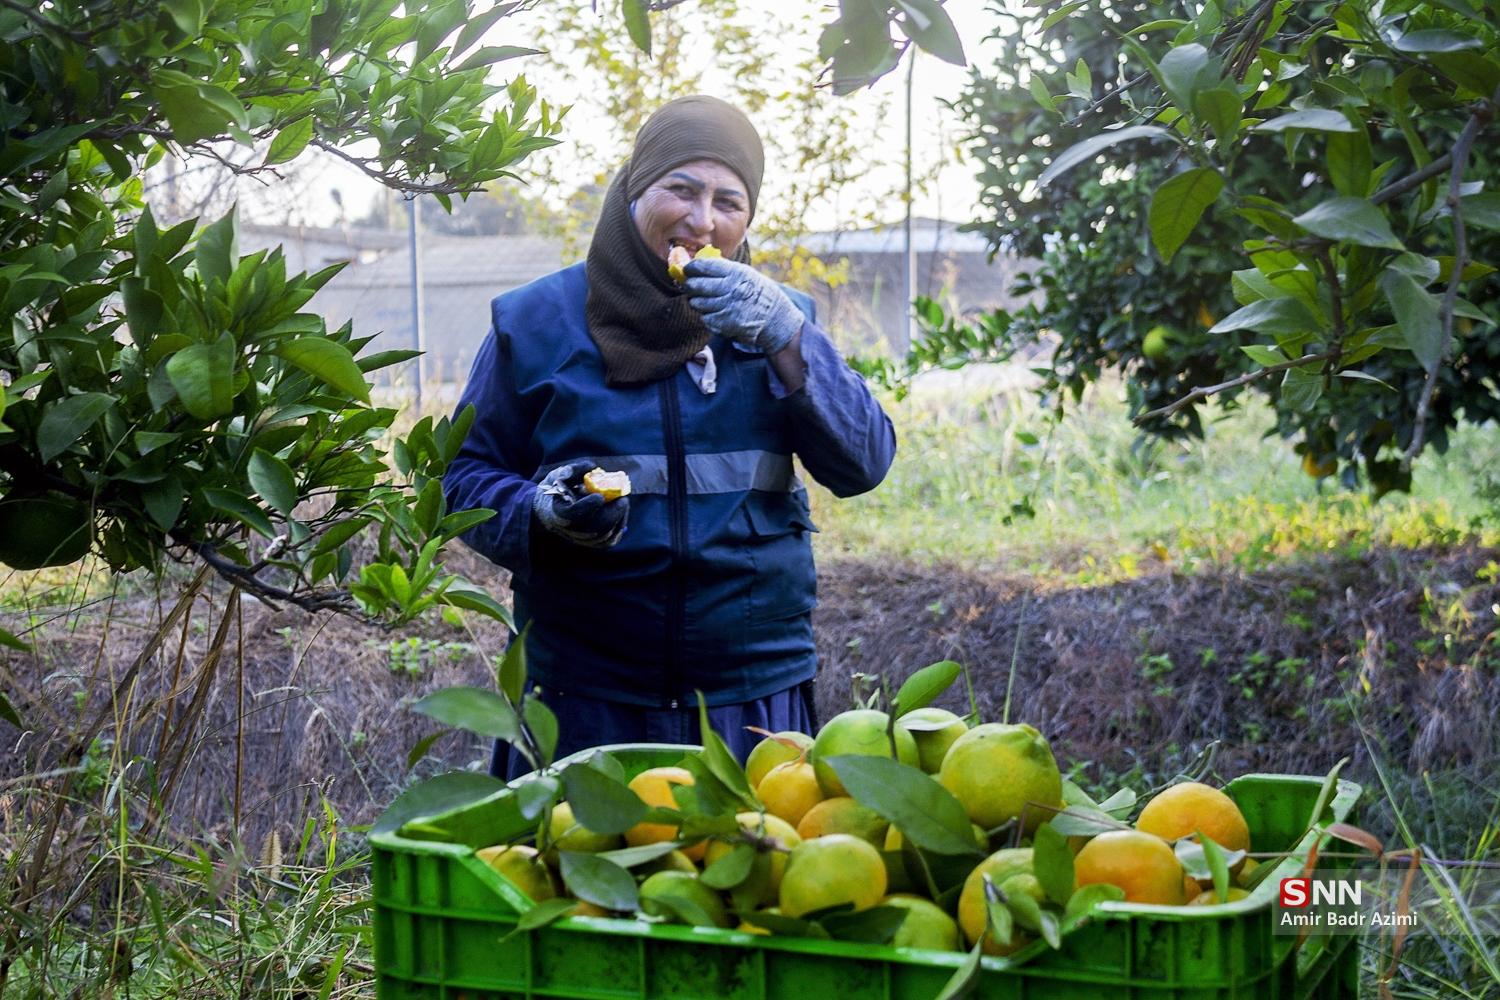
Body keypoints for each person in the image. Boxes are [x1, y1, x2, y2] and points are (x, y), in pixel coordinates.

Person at [442, 95, 896, 779]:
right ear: (634, 190)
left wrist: (788, 339)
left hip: (752, 697)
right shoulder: (535, 322)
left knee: (747, 880)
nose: (703, 220)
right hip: (583, 694)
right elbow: (461, 476)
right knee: (572, 879)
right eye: (680, 189)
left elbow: (864, 463)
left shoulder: (778, 321)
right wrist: (538, 510)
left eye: (729, 201)